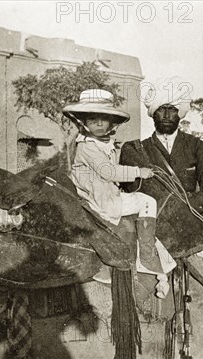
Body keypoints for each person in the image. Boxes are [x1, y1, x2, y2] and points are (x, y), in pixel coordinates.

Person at [65, 89, 175, 298]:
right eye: (92, 119)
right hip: (102, 201)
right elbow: (108, 172)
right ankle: (146, 253)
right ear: (84, 123)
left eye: (103, 119)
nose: (98, 124)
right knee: (147, 201)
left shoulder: (100, 144)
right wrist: (138, 172)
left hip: (103, 195)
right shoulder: (87, 147)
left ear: (111, 123)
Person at [120, 77, 203, 257]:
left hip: (192, 234)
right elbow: (132, 190)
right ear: (153, 113)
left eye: (172, 109)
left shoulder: (195, 145)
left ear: (179, 114)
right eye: (161, 109)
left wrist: (186, 208)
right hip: (152, 234)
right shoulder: (135, 150)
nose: (166, 115)